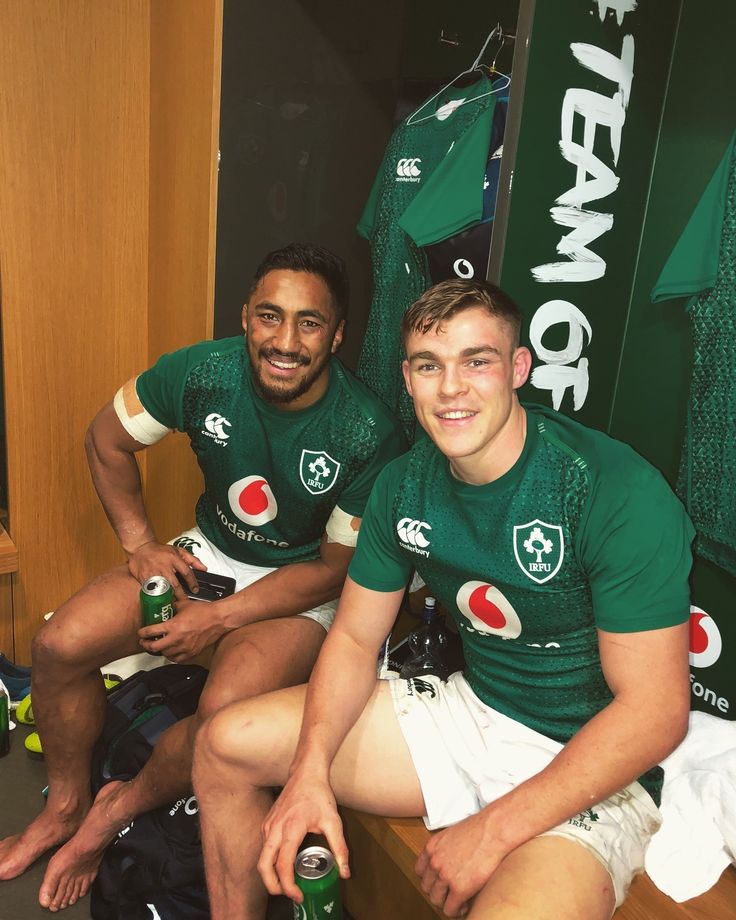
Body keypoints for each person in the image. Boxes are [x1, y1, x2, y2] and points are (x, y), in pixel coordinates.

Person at [192, 278, 694, 920]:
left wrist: (494, 829)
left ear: (518, 367)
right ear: (407, 378)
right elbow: (351, 639)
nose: (451, 388)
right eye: (430, 366)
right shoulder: (404, 484)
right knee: (224, 744)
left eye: (476, 362)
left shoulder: (610, 489)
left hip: (592, 762)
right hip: (474, 711)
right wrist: (310, 770)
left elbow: (654, 711)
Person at [0, 242, 406, 912]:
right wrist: (139, 543)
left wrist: (217, 619)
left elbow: (335, 571)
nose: (284, 340)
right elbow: (106, 439)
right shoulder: (200, 373)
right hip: (211, 554)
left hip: (300, 584)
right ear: (246, 316)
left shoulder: (368, 432)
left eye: (309, 323)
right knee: (57, 645)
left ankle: (113, 810)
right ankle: (66, 808)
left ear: (336, 336)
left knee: (223, 718)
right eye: (269, 316)